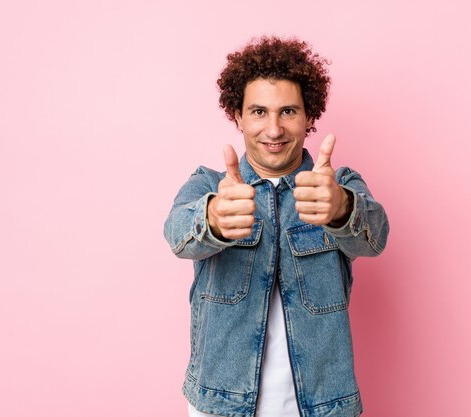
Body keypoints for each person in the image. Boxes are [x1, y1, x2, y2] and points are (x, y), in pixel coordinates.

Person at [164, 36, 389, 417]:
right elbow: (177, 234)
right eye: (258, 112)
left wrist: (340, 208)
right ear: (237, 116)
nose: (273, 129)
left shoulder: (338, 184)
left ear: (309, 117)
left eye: (288, 111)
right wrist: (214, 218)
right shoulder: (209, 184)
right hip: (220, 404)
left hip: (321, 405)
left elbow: (376, 236)